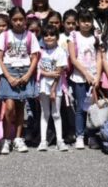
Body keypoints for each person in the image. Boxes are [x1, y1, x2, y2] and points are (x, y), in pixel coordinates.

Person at [0, 7, 40, 155]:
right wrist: (8, 77)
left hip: (25, 72)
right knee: (9, 107)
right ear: (10, 21)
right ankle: (6, 139)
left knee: (20, 107)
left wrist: (27, 76)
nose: (18, 22)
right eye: (15, 20)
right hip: (9, 72)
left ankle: (18, 139)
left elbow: (34, 58)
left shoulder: (30, 36)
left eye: (21, 19)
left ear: (25, 20)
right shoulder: (5, 36)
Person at [67, 9, 101, 150]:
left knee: (92, 108)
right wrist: (86, 74)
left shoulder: (95, 37)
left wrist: (97, 76)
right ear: (78, 22)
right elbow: (73, 59)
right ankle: (80, 136)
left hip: (93, 78)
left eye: (89, 21)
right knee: (81, 108)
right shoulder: (73, 36)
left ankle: (92, 135)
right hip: (79, 78)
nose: (86, 24)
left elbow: (99, 57)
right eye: (83, 21)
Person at [36, 24, 69, 152]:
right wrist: (47, 73)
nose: (49, 37)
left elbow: (59, 72)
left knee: (56, 114)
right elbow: (38, 69)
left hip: (57, 87)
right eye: (46, 35)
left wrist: (54, 90)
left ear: (57, 36)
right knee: (45, 113)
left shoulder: (60, 51)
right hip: (43, 86)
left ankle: (60, 140)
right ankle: (43, 141)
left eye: (52, 35)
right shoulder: (40, 52)